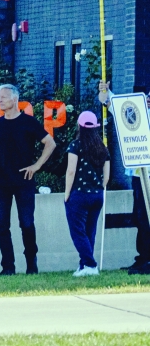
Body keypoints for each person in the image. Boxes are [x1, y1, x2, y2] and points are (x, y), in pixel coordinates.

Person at [0, 84, 57, 275]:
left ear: (15, 99)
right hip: (1, 182)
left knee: (27, 223)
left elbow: (50, 143)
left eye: (4, 97)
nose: (0, 100)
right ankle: (8, 267)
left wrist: (37, 166)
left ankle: (31, 263)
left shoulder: (28, 122)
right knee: (2, 225)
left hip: (24, 180)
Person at [98, 81, 150, 275]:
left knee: (146, 217)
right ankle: (143, 257)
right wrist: (106, 92)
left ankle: (147, 260)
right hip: (139, 173)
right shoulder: (142, 111)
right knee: (140, 216)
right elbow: (121, 111)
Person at [64, 111, 111, 277]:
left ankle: (90, 265)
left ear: (79, 126)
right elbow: (107, 176)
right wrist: (98, 187)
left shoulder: (75, 145)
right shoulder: (103, 148)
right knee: (90, 231)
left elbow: (71, 171)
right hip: (97, 195)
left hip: (79, 194)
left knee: (78, 232)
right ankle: (84, 265)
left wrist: (67, 194)